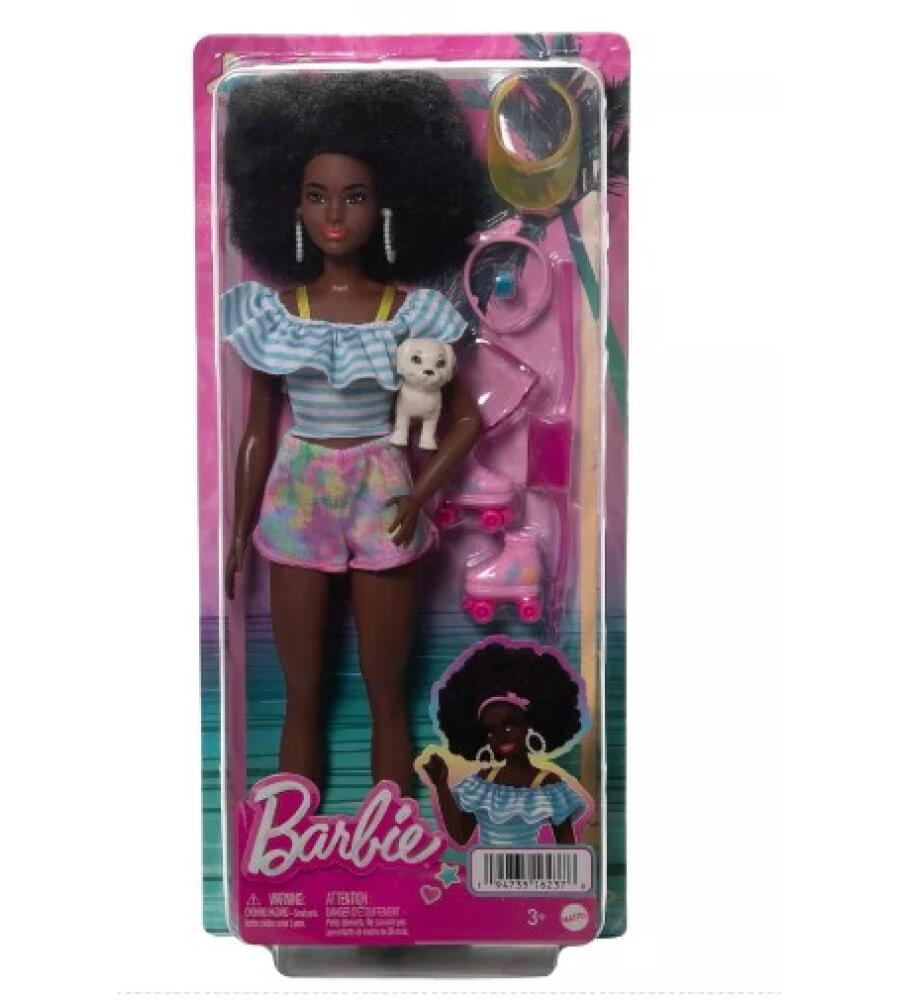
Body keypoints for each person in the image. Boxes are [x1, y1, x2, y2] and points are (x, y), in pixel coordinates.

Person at [220, 71, 486, 794]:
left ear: (387, 207)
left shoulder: (410, 313)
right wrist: (238, 530)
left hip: (383, 496)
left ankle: (391, 835)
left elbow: (467, 419)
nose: (334, 213)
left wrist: (421, 495)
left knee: (385, 690)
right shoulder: (276, 315)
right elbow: (257, 432)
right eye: (317, 195)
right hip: (297, 496)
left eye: (355, 196)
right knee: (302, 690)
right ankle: (289, 836)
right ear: (293, 205)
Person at [421, 640, 590, 846]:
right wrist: (441, 785)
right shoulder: (483, 782)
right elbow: (461, 836)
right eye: (491, 731)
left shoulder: (548, 783)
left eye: (510, 726)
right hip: (484, 865)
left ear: (530, 725)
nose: (501, 736)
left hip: (530, 867)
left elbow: (567, 847)